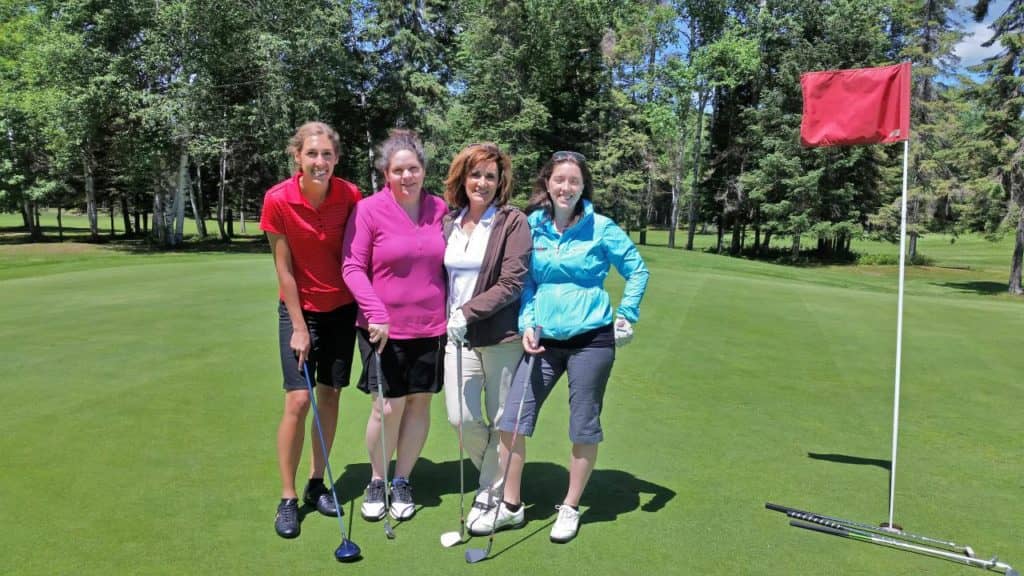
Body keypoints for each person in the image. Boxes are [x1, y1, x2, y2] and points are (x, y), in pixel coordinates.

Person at [467, 150, 649, 543]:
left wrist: (627, 313)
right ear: (547, 183)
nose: (566, 187)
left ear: (583, 187)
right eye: (559, 180)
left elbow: (637, 269)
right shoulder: (533, 225)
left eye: (574, 181)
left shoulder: (601, 227)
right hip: (543, 341)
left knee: (583, 423)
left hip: (592, 340)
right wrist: (527, 322)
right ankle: (511, 506)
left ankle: (569, 507)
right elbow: (528, 282)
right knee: (514, 418)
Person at [259, 121, 362, 539]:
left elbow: (360, 253)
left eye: (327, 155)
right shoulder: (278, 200)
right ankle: (287, 497)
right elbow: (283, 268)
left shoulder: (351, 195)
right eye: (311, 154)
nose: (320, 162)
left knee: (330, 393)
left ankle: (317, 482)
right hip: (299, 309)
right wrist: (299, 327)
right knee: (298, 401)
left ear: (336, 157)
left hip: (342, 308)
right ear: (297, 157)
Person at [341, 128, 447, 522]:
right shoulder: (369, 210)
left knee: (419, 404)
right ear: (386, 173)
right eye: (399, 170)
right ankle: (377, 478)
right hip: (381, 329)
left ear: (423, 170)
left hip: (431, 327)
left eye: (414, 169)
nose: (407, 177)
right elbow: (352, 267)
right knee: (387, 408)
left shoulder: (440, 209)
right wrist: (376, 312)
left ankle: (402, 480)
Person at [441, 143, 531, 526]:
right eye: (475, 174)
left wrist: (467, 312)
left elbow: (512, 282)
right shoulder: (449, 221)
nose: (482, 182)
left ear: (501, 182)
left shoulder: (512, 221)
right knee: (459, 417)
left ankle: (491, 494)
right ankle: (493, 478)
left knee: (501, 420)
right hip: (457, 339)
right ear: (462, 178)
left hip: (500, 338)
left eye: (490, 176)